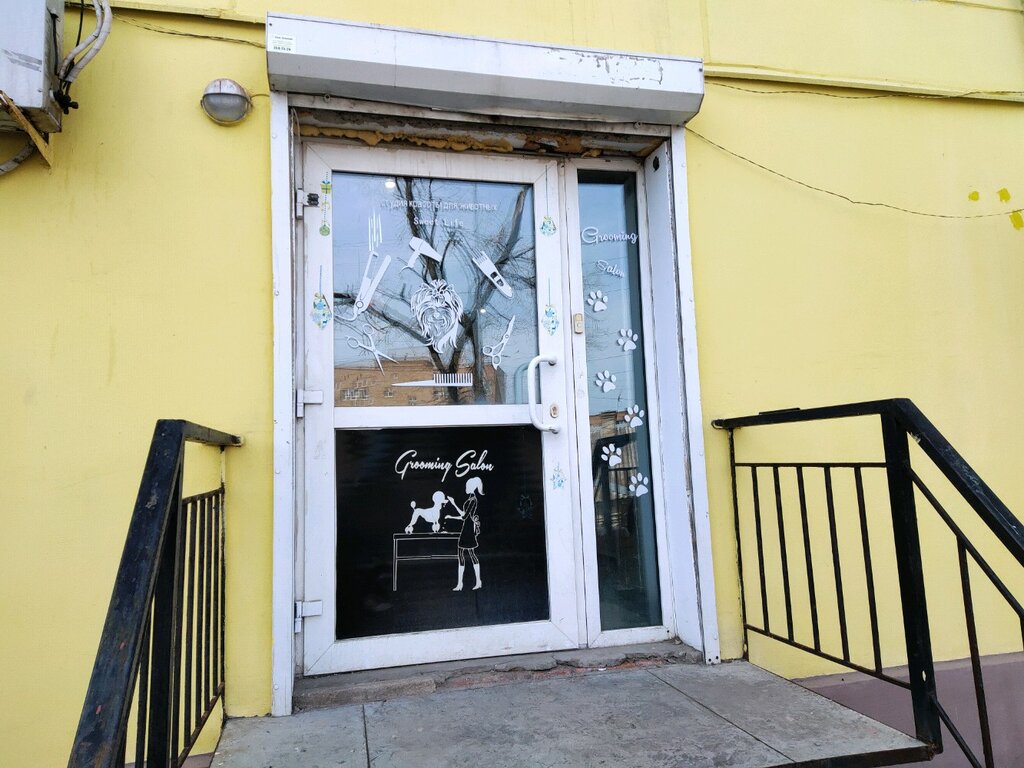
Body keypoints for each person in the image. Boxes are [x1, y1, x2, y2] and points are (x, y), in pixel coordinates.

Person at [445, 476, 483, 590]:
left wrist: (453, 505)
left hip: (468, 529)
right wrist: (452, 512)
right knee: (465, 553)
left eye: (467, 486)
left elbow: (464, 516)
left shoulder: (473, 500)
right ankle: (461, 583)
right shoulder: (471, 499)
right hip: (466, 527)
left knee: (468, 553)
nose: (465, 488)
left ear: (471, 487)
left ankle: (476, 581)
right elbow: (464, 516)